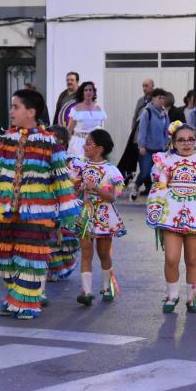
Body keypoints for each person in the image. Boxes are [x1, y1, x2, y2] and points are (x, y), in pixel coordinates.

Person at [0, 89, 80, 320]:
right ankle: (15, 298)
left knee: (30, 258)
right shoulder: (5, 141)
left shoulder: (49, 143)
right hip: (4, 211)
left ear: (31, 112)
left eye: (15, 107)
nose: (11, 111)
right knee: (4, 258)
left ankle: (27, 304)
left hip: (37, 213)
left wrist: (67, 210)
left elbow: (61, 178)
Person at [146, 121, 196, 313]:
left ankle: (192, 299)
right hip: (171, 212)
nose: (186, 143)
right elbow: (159, 183)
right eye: (181, 140)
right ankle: (171, 295)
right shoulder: (165, 159)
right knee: (171, 258)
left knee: (192, 259)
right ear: (173, 142)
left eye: (190, 139)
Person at [71, 129, 126, 306]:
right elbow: (72, 189)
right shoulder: (79, 166)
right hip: (85, 213)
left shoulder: (111, 170)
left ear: (100, 148)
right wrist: (78, 189)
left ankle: (108, 286)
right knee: (86, 252)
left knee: (104, 253)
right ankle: (86, 292)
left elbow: (112, 197)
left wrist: (96, 188)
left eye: (89, 143)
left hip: (103, 216)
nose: (85, 146)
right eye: (85, 142)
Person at [45, 125, 79, 282]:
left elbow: (76, 183)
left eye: (54, 139)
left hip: (64, 205)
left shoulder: (71, 162)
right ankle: (49, 268)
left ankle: (60, 265)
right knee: (48, 237)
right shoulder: (42, 161)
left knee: (64, 240)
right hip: (47, 203)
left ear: (63, 142)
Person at [131, 87, 170, 200]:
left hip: (160, 149)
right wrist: (142, 145)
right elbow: (142, 130)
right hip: (147, 148)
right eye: (159, 98)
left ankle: (157, 195)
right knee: (145, 172)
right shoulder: (147, 112)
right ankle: (136, 188)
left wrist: (166, 144)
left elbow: (167, 130)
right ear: (153, 99)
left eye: (163, 98)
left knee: (159, 173)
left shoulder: (164, 113)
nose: (161, 100)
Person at [117, 78, 154, 185]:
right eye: (143, 86)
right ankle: (145, 185)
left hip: (150, 137)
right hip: (138, 136)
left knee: (148, 164)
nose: (144, 88)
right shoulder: (140, 101)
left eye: (146, 86)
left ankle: (146, 185)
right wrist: (133, 132)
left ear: (152, 86)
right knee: (140, 161)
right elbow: (135, 117)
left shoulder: (155, 101)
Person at [67, 82, 107, 159]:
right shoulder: (76, 109)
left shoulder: (99, 109)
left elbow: (101, 129)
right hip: (79, 142)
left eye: (90, 90)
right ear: (82, 92)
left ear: (94, 92)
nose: (88, 92)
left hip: (94, 143)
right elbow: (69, 128)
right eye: (86, 90)